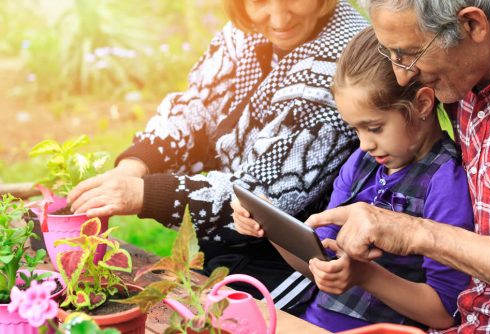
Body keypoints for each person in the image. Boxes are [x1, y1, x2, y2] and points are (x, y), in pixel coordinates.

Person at [66, 0, 369, 300]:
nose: (278, 18)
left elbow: (263, 198)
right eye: (260, 1)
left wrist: (142, 194)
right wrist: (135, 164)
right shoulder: (245, 33)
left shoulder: (341, 60)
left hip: (299, 264)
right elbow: (198, 104)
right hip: (229, 245)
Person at [307, 0, 490, 332]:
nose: (401, 75)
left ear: (472, 25)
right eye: (392, 54)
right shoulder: (469, 69)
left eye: (409, 53)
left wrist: (414, 232)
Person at [233, 27, 474, 332]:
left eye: (374, 127)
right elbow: (317, 262)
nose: (364, 144)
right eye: (356, 130)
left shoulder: (445, 183)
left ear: (423, 105)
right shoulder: (362, 163)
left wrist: (366, 275)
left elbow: (444, 312)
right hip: (310, 321)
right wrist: (269, 226)